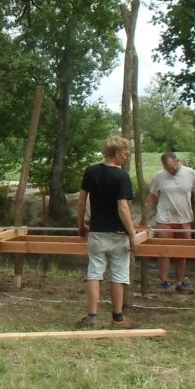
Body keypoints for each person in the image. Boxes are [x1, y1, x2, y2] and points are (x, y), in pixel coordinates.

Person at [76, 135, 138, 329]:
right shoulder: (122, 177)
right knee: (119, 275)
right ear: (117, 153)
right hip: (118, 234)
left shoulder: (91, 172)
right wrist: (133, 234)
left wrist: (80, 223)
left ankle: (92, 317)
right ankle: (117, 319)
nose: (126, 157)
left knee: (94, 273)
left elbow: (82, 200)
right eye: (125, 154)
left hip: (97, 232)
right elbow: (123, 208)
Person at [145, 152, 195, 294]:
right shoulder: (159, 176)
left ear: (177, 161)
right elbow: (152, 197)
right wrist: (146, 217)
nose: (171, 170)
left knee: (182, 252)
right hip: (164, 219)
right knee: (164, 251)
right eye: (168, 169)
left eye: (173, 167)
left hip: (184, 218)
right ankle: (164, 281)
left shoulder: (190, 173)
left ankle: (180, 282)